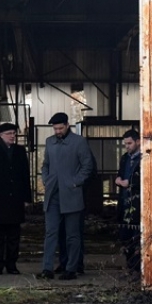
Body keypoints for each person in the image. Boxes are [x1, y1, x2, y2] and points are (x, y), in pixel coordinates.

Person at [39, 112, 94, 280]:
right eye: (55, 129)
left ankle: (71, 269)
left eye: (60, 128)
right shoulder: (50, 142)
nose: (57, 131)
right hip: (53, 195)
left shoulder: (79, 142)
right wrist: (46, 180)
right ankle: (46, 269)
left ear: (67, 125)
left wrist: (75, 182)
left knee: (72, 234)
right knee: (51, 233)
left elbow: (88, 166)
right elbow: (45, 165)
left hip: (71, 194)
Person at [0, 122, 32, 275]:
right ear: (1, 135)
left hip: (15, 200)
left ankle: (11, 264)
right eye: (9, 133)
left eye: (14, 134)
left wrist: (26, 198)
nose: (12, 136)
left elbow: (25, 176)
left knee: (13, 236)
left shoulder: (20, 151)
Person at [56, 155, 99, 275]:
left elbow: (90, 173)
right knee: (63, 231)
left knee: (74, 232)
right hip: (63, 197)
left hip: (76, 198)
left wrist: (77, 185)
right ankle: (66, 262)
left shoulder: (81, 151)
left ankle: (75, 264)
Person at [116, 129, 142, 280]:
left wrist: (130, 183)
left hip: (137, 203)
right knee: (125, 238)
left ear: (138, 141)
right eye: (125, 144)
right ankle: (130, 268)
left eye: (130, 143)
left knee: (136, 237)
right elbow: (120, 173)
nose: (127, 146)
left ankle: (138, 270)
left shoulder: (144, 158)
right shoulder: (125, 158)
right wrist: (119, 180)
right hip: (125, 203)